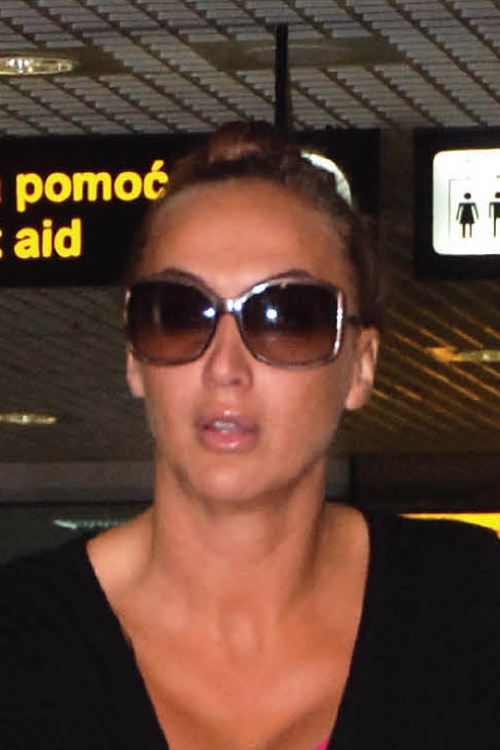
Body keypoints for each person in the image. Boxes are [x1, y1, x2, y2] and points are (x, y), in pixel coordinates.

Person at [0, 121, 498, 750]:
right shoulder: (22, 645)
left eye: (287, 317)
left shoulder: (467, 616)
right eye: (179, 313)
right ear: (133, 354)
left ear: (360, 366)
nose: (225, 367)